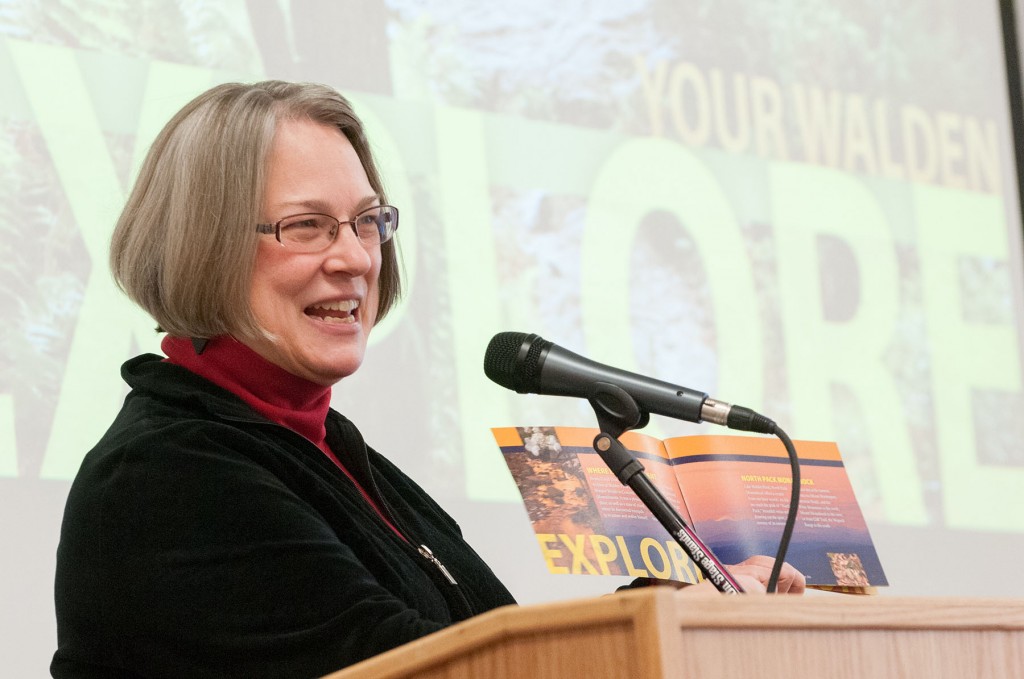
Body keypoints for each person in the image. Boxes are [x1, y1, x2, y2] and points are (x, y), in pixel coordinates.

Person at [51, 80, 803, 679]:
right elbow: (414, 670)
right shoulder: (163, 478)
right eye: (306, 225)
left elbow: (472, 648)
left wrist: (683, 606)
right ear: (203, 244)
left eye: (367, 221)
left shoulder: (325, 447)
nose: (354, 257)